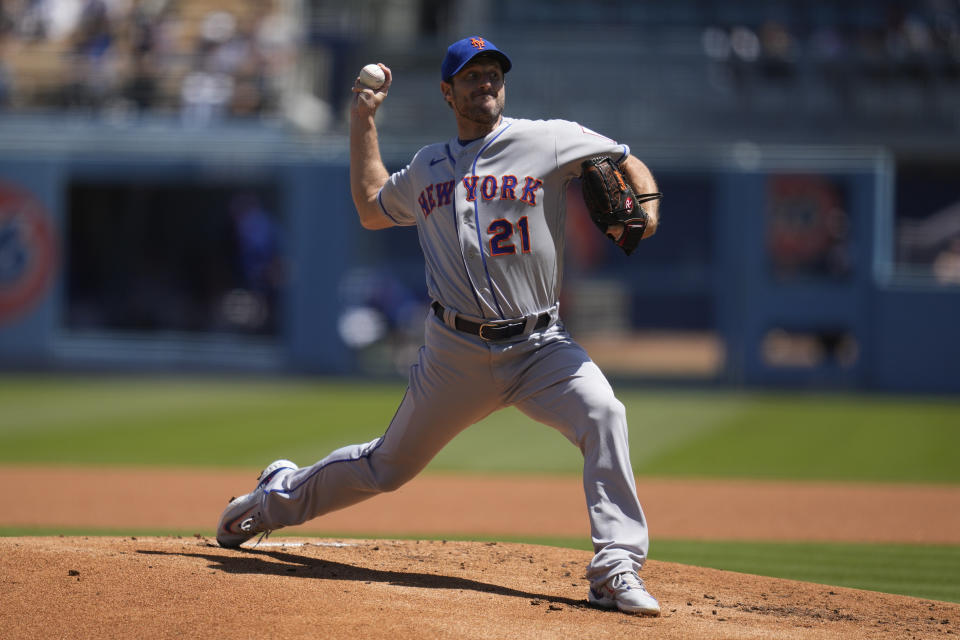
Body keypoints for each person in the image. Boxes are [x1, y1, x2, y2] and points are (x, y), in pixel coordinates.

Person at [217, 35, 662, 616]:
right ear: (448, 92)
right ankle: (274, 497)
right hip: (455, 352)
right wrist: (363, 120)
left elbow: (622, 156)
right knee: (385, 469)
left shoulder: (546, 138)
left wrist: (647, 209)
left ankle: (614, 567)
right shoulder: (429, 167)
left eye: (493, 72)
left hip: (541, 346)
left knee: (605, 413)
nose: (486, 82)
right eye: (472, 75)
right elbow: (373, 206)